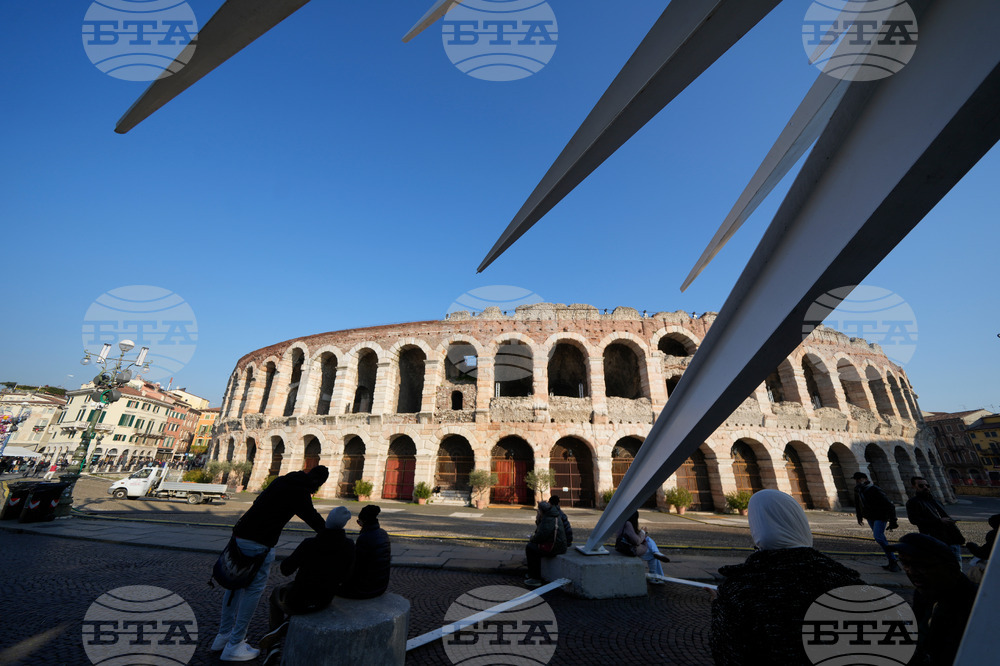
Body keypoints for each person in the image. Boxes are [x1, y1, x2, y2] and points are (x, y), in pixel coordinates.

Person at [711, 490, 864, 666]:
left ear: (757, 526)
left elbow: (727, 655)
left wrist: (719, 607)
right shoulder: (846, 579)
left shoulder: (742, 589)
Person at [212, 465, 330, 662]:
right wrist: (333, 534)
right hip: (260, 543)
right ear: (317, 483)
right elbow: (313, 519)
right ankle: (235, 644)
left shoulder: (282, 480)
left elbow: (258, 502)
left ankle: (222, 636)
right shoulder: (300, 492)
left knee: (233, 586)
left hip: (240, 535)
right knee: (252, 591)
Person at [260, 506, 356, 665]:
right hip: (325, 599)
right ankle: (287, 623)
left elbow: (285, 569)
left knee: (276, 594)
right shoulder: (349, 545)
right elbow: (347, 577)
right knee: (304, 588)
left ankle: (274, 646)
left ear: (327, 521)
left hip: (300, 599)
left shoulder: (310, 543)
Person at [889, 533, 979, 666]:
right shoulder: (924, 593)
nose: (911, 571)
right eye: (905, 563)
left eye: (921, 565)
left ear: (949, 568)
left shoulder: (974, 603)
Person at [905, 476, 965, 566]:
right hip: (934, 538)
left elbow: (944, 517)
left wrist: (950, 521)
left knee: (956, 565)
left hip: (951, 537)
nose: (925, 487)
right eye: (921, 486)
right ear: (914, 487)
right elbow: (914, 520)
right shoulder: (913, 502)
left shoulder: (936, 501)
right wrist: (938, 521)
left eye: (927, 485)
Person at [339, 505, 391, 599]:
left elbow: (357, 566)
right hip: (382, 585)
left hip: (366, 589)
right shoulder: (383, 533)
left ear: (364, 522)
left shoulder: (365, 538)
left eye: (359, 522)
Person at [853, 471, 900, 571]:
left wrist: (893, 521)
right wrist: (859, 517)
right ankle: (892, 560)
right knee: (880, 538)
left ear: (865, 479)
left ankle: (893, 560)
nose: (857, 481)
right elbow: (858, 504)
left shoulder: (875, 489)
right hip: (870, 517)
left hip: (880, 516)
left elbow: (890, 505)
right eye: (856, 480)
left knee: (878, 537)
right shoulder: (858, 490)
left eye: (859, 479)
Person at [615, 511, 670, 582]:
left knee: (648, 540)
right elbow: (637, 541)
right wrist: (643, 532)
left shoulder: (622, 522)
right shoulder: (628, 524)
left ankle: (657, 574)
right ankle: (654, 577)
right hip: (630, 549)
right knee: (652, 555)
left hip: (624, 546)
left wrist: (641, 534)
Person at [524, 500, 568, 588]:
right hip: (557, 543)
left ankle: (535, 578)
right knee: (532, 547)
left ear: (542, 510)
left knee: (530, 548)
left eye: (538, 510)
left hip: (556, 547)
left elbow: (541, 535)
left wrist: (532, 539)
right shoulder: (551, 515)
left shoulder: (548, 519)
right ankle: (532, 573)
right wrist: (538, 519)